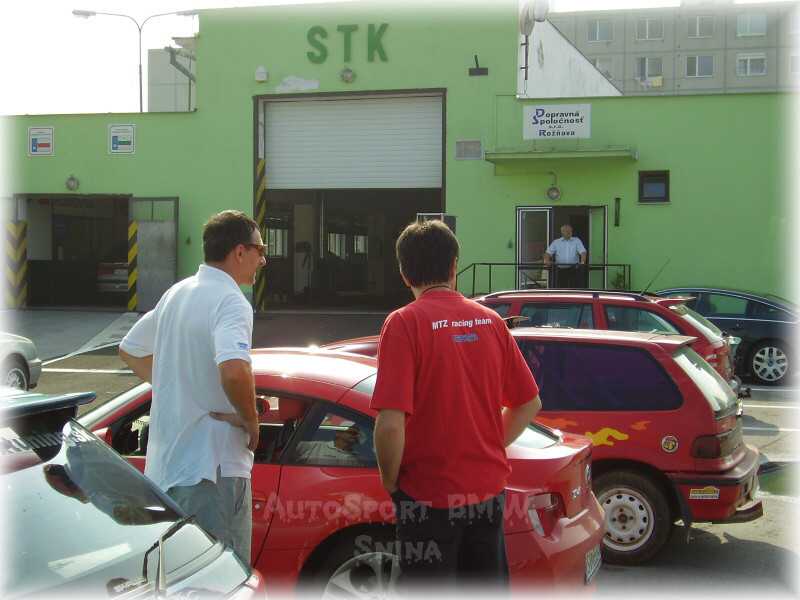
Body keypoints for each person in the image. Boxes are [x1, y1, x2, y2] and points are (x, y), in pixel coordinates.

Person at [371, 219, 541, 593]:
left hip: (427, 496)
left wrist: (390, 480)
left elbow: (390, 423)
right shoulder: (491, 321)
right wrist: (485, 446)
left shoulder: (404, 323)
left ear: (403, 273)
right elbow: (529, 404)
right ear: (454, 267)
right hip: (488, 494)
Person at [118, 209, 266, 563]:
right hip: (212, 470)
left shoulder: (178, 293)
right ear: (239, 251)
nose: (263, 260)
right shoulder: (231, 301)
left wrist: (178, 386)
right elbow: (234, 371)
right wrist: (251, 421)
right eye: (260, 250)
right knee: (222, 577)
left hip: (166, 471)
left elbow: (130, 349)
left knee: (177, 576)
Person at [543, 224, 587, 288]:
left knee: (574, 287)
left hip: (574, 269)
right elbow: (547, 253)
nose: (569, 232)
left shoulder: (576, 240)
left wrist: (582, 263)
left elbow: (583, 252)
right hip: (560, 270)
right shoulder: (556, 242)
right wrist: (547, 261)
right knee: (561, 287)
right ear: (562, 232)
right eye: (566, 231)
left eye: (570, 231)